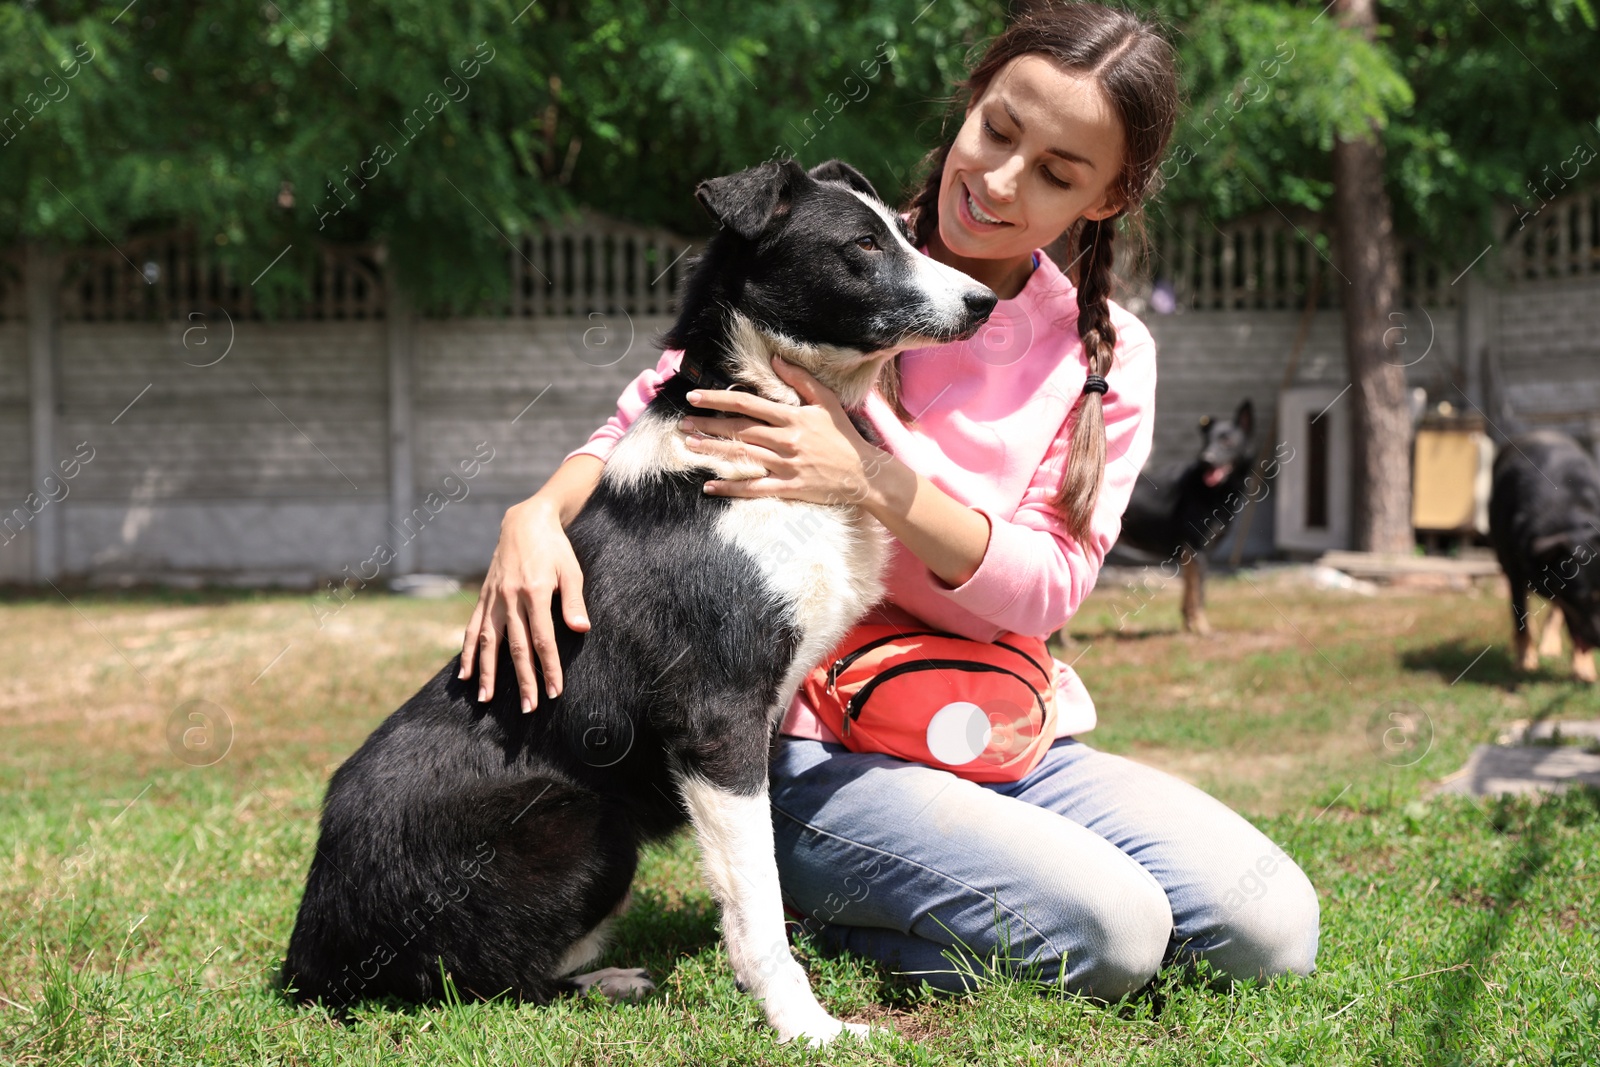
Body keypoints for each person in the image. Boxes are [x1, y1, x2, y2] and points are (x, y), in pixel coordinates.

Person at [459, 1, 1320, 1001]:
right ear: (968, 105)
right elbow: (660, 411)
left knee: (1269, 925)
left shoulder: (1109, 354)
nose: (1000, 180)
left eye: (1055, 171)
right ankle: (829, 911)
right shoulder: (827, 253)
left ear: (1106, 197)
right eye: (997, 130)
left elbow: (1046, 590)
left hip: (995, 728)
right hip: (816, 750)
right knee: (1113, 933)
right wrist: (536, 507)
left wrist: (867, 477)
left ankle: (977, 893)